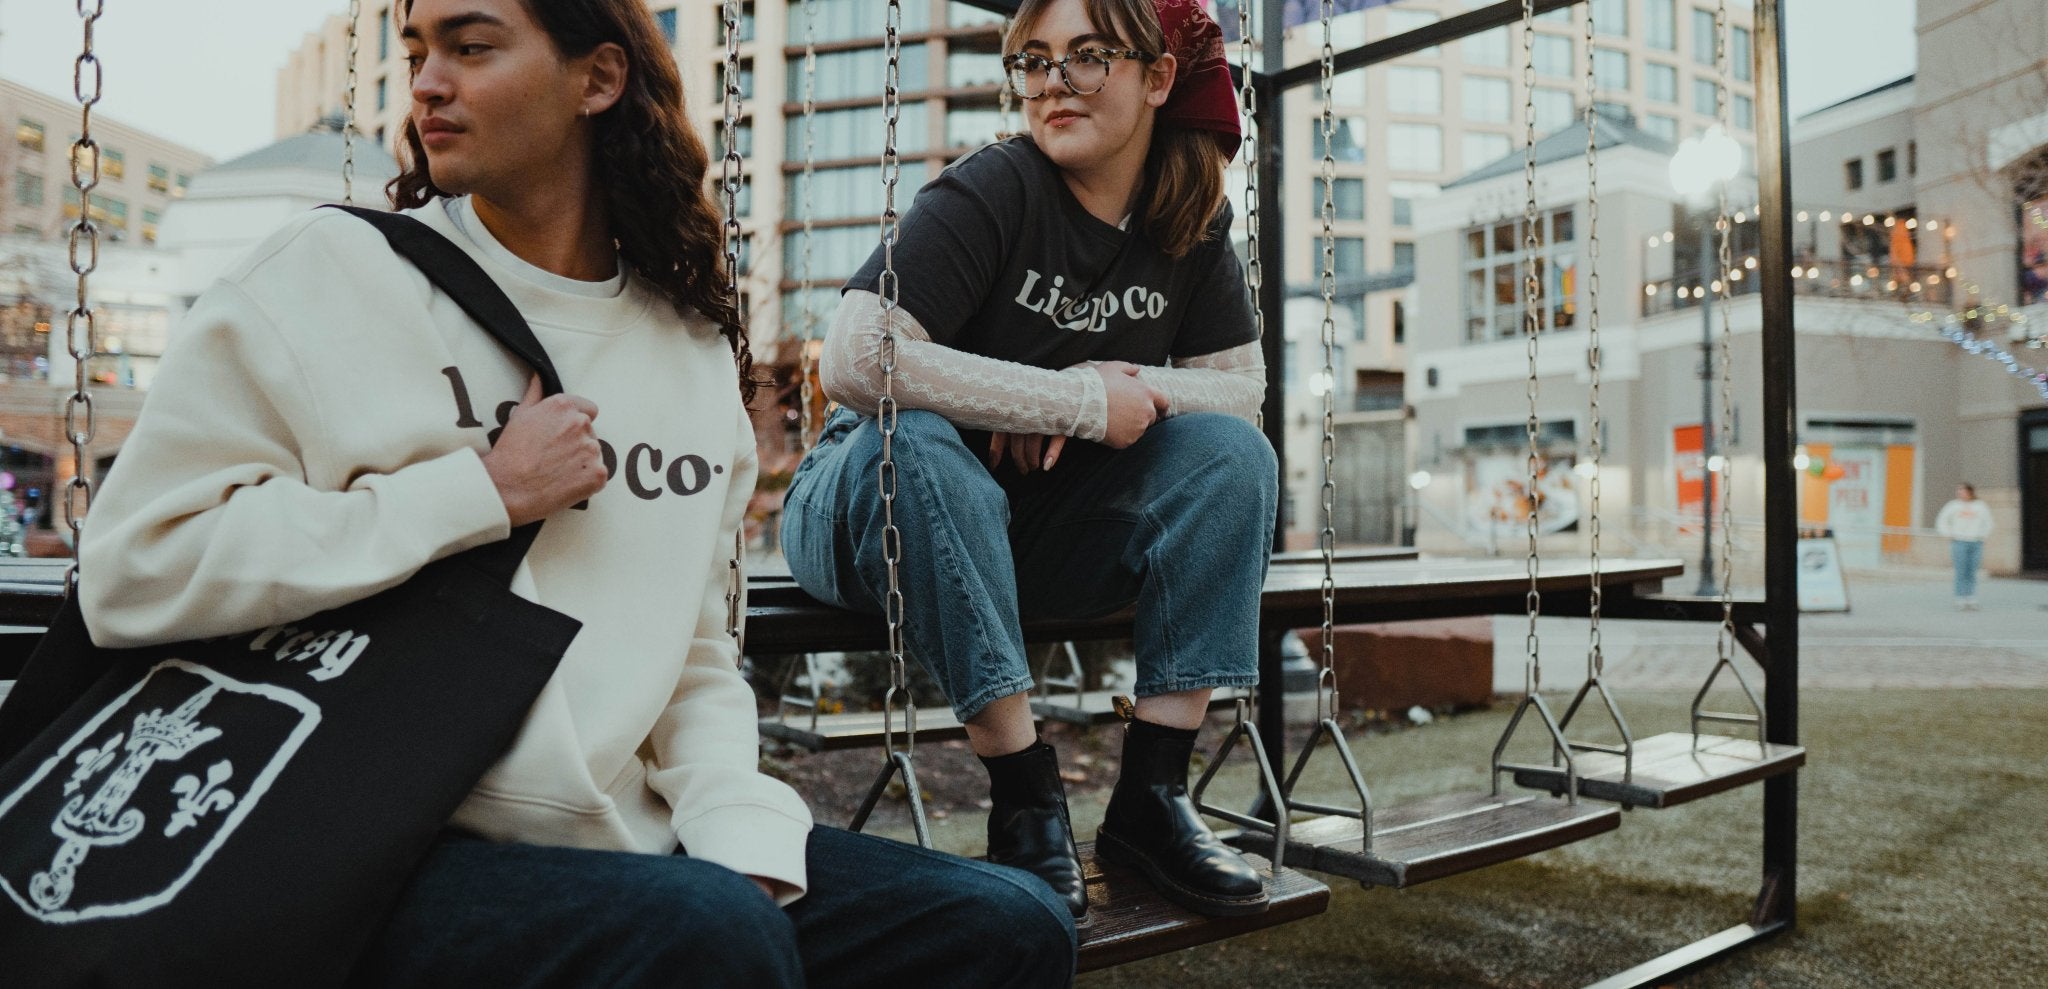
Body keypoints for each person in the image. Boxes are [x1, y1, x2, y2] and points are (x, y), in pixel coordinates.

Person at [75, 0, 1074, 985]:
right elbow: (134, 566)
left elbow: (693, 658)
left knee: (1008, 925)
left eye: (471, 46)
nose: (427, 83)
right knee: (709, 936)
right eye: (418, 52)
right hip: (370, 843)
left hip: (623, 841)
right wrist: (480, 490)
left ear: (597, 78)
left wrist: (740, 835)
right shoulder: (332, 273)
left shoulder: (686, 350)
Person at [781, 0, 1276, 921]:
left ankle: (1153, 798)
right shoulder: (995, 187)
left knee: (1232, 456)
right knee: (916, 440)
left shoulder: (1190, 221)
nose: (1053, 84)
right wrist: (1069, 399)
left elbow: (1241, 389)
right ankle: (1024, 799)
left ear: (1157, 78)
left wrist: (1111, 387)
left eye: (1087, 56)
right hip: (865, 499)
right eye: (1035, 60)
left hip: (1018, 521)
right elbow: (853, 358)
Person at [1934, 483, 1994, 610]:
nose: (1960, 493)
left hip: (1976, 542)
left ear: (1970, 492)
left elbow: (1988, 522)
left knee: (1972, 571)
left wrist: (1983, 536)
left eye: (1962, 490)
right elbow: (1942, 520)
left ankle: (1971, 597)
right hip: (1959, 541)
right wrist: (1947, 534)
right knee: (1960, 571)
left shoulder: (1980, 506)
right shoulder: (1953, 505)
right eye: (1959, 490)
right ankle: (1960, 598)